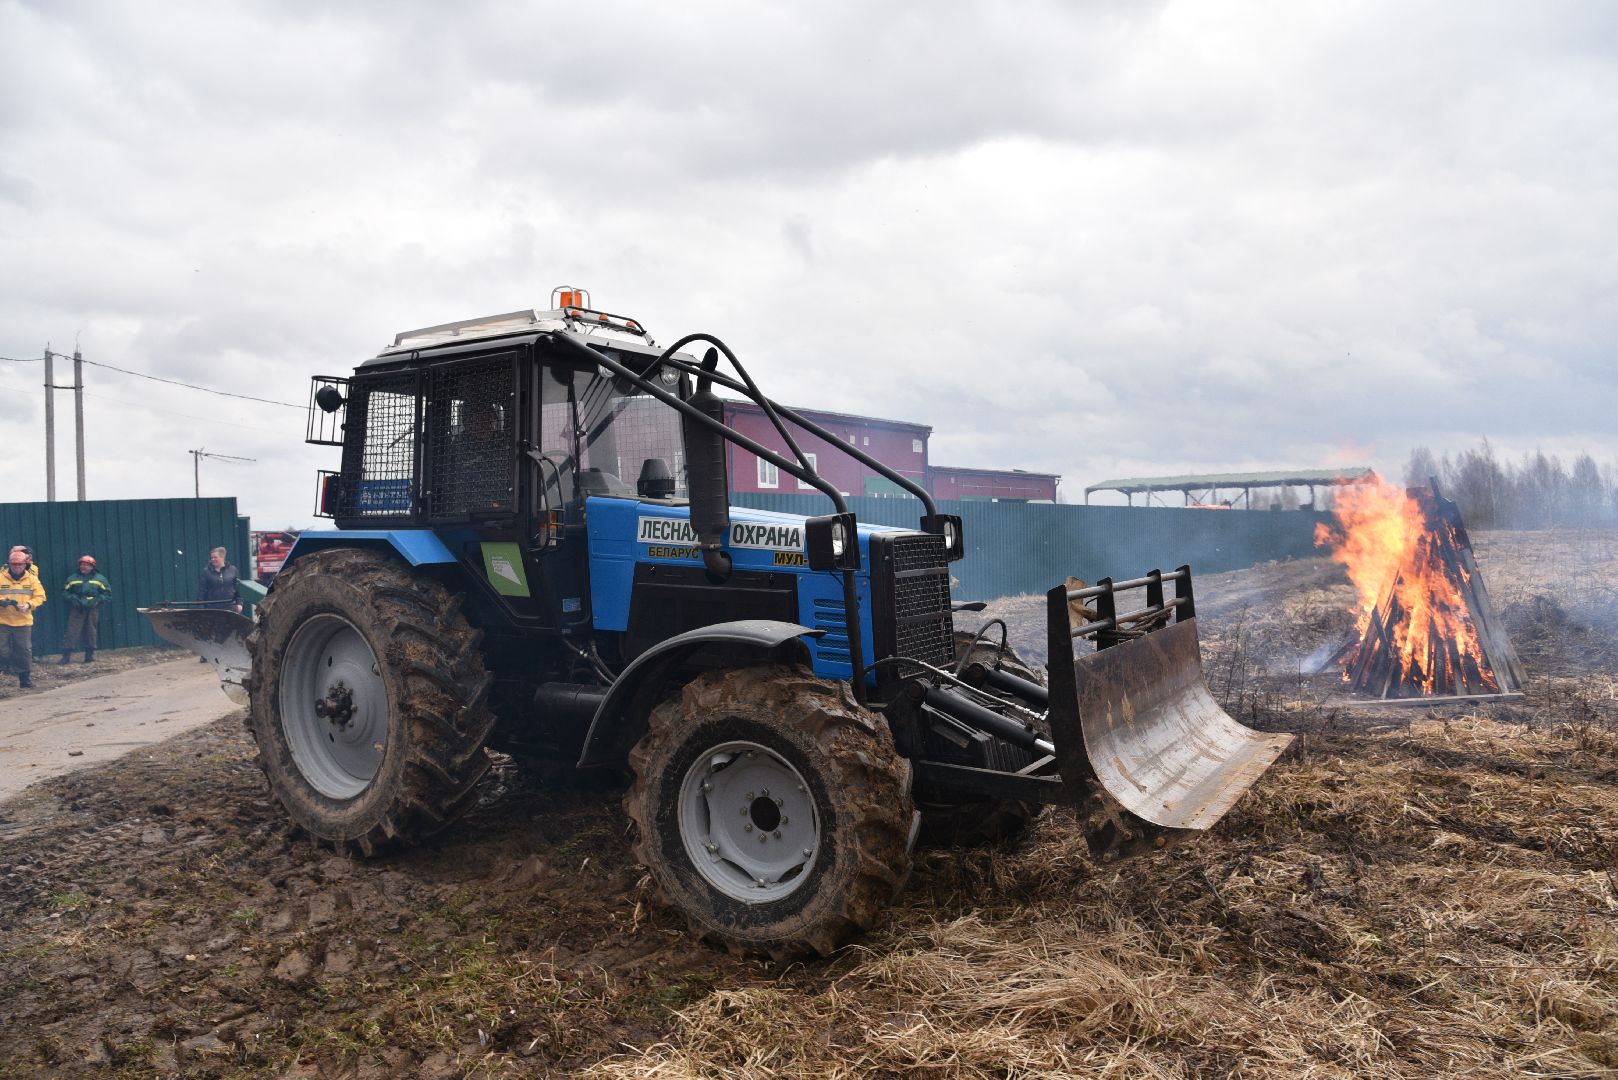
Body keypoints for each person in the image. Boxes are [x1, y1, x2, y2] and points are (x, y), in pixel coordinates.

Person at [1, 548, 47, 687]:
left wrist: (29, 604)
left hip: (23, 621)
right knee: (2, 650)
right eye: (14, 564)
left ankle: (24, 680)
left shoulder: (32, 579)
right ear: (9, 564)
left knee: (24, 651)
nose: (17, 567)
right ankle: (6, 668)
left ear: (25, 564)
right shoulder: (0, 577)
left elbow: (40, 596)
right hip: (2, 620)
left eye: (19, 564)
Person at [61, 555, 112, 664]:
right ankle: (66, 657)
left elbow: (107, 594)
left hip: (93, 609)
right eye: (81, 564)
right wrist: (72, 599)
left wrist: (98, 600)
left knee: (91, 632)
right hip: (76, 608)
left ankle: (89, 656)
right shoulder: (72, 578)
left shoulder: (100, 579)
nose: (83, 567)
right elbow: (65, 592)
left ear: (92, 566)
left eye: (86, 565)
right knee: (72, 631)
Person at [197, 547, 242, 612]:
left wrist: (240, 603)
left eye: (215, 557)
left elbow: (239, 589)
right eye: (212, 557)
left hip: (230, 607)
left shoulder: (233, 570)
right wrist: (200, 608)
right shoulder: (206, 572)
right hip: (213, 608)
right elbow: (201, 591)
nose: (212, 559)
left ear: (222, 558)